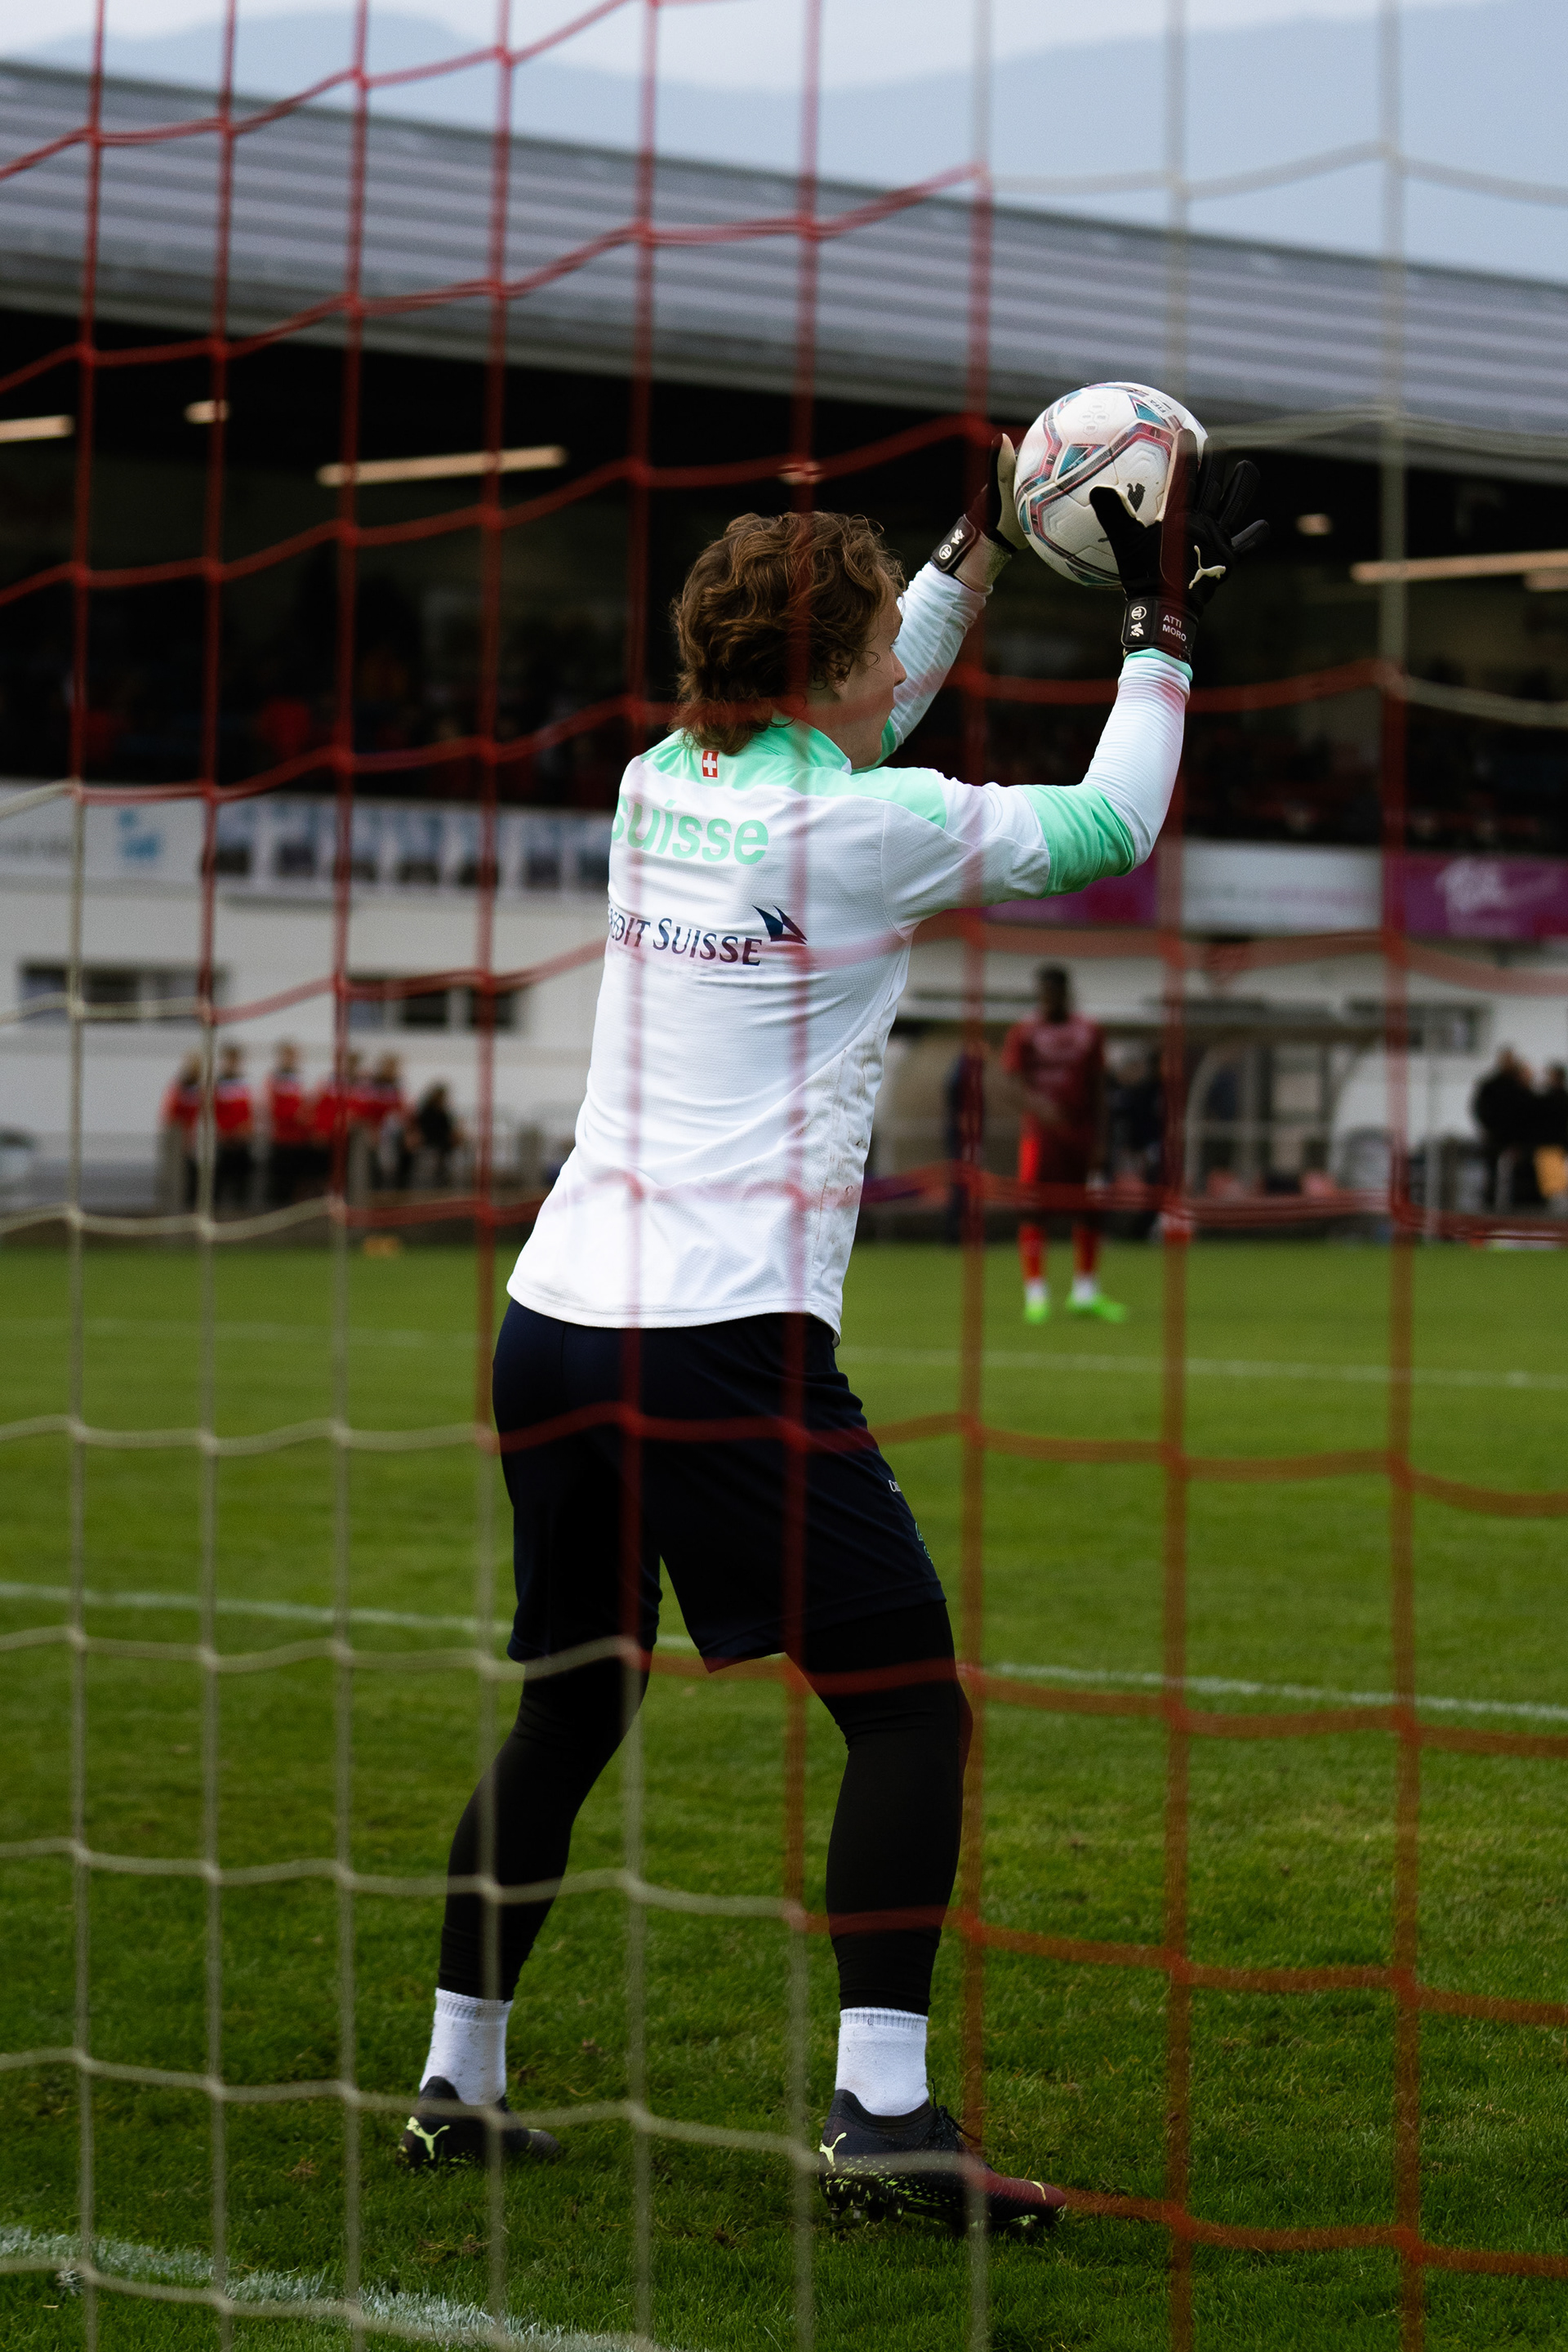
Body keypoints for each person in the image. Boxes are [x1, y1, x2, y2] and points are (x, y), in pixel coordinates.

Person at [398, 440, 1264, 2230]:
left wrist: (971, 550)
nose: (897, 670)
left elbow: (854, 711)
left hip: (553, 1321)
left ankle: (454, 2082)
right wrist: (1160, 621)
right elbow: (1112, 829)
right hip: (713, 1340)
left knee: (571, 1706)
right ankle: (883, 2120)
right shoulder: (872, 828)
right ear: (835, 669)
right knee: (908, 1711)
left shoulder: (660, 781)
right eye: (880, 647)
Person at [1001, 964, 1120, 1323]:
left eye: (1054, 993)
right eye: (1043, 993)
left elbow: (1099, 1087)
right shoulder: (1024, 1032)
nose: (1048, 1000)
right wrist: (1039, 1107)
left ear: (1066, 993)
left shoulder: (1089, 1031)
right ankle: (1036, 1296)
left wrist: (1101, 1140)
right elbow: (1010, 1084)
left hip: (1082, 1133)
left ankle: (1085, 1293)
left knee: (1089, 1209)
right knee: (1034, 1209)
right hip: (1040, 1137)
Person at [1472, 1047, 1539, 1209]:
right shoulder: (1492, 1085)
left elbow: (1527, 1110)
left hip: (1514, 1136)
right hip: (1497, 1134)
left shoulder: (1517, 1085)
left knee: (1521, 1171)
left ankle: (1520, 1203)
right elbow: (1482, 1108)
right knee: (1493, 1172)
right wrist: (1488, 1127)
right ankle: (1491, 1203)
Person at [942, 1039, 987, 1245]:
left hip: (967, 1135)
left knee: (967, 1183)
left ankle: (964, 1230)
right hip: (964, 1136)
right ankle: (956, 1231)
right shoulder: (964, 1072)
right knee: (963, 1183)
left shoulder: (965, 1070)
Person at [265, 1043, 311, 1207]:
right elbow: (273, 1108)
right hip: (281, 1138)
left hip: (299, 1138)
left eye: (292, 1055)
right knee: (280, 1180)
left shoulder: (300, 1078)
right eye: (287, 1055)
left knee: (297, 1179)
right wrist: (294, 1116)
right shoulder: (274, 1079)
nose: (290, 1059)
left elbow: (305, 1103)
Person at [212, 1044, 254, 1212]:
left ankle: (241, 1210)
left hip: (241, 1139)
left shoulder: (243, 1083)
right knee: (220, 1176)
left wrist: (245, 1129)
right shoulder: (218, 1083)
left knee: (242, 1177)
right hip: (224, 1139)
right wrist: (225, 1131)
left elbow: (246, 1110)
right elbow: (214, 1110)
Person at [160, 1053, 203, 1209]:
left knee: (193, 1174)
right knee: (176, 1174)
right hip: (179, 1139)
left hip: (193, 1138)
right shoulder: (179, 1087)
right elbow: (171, 1114)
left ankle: (191, 1205)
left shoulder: (201, 1088)